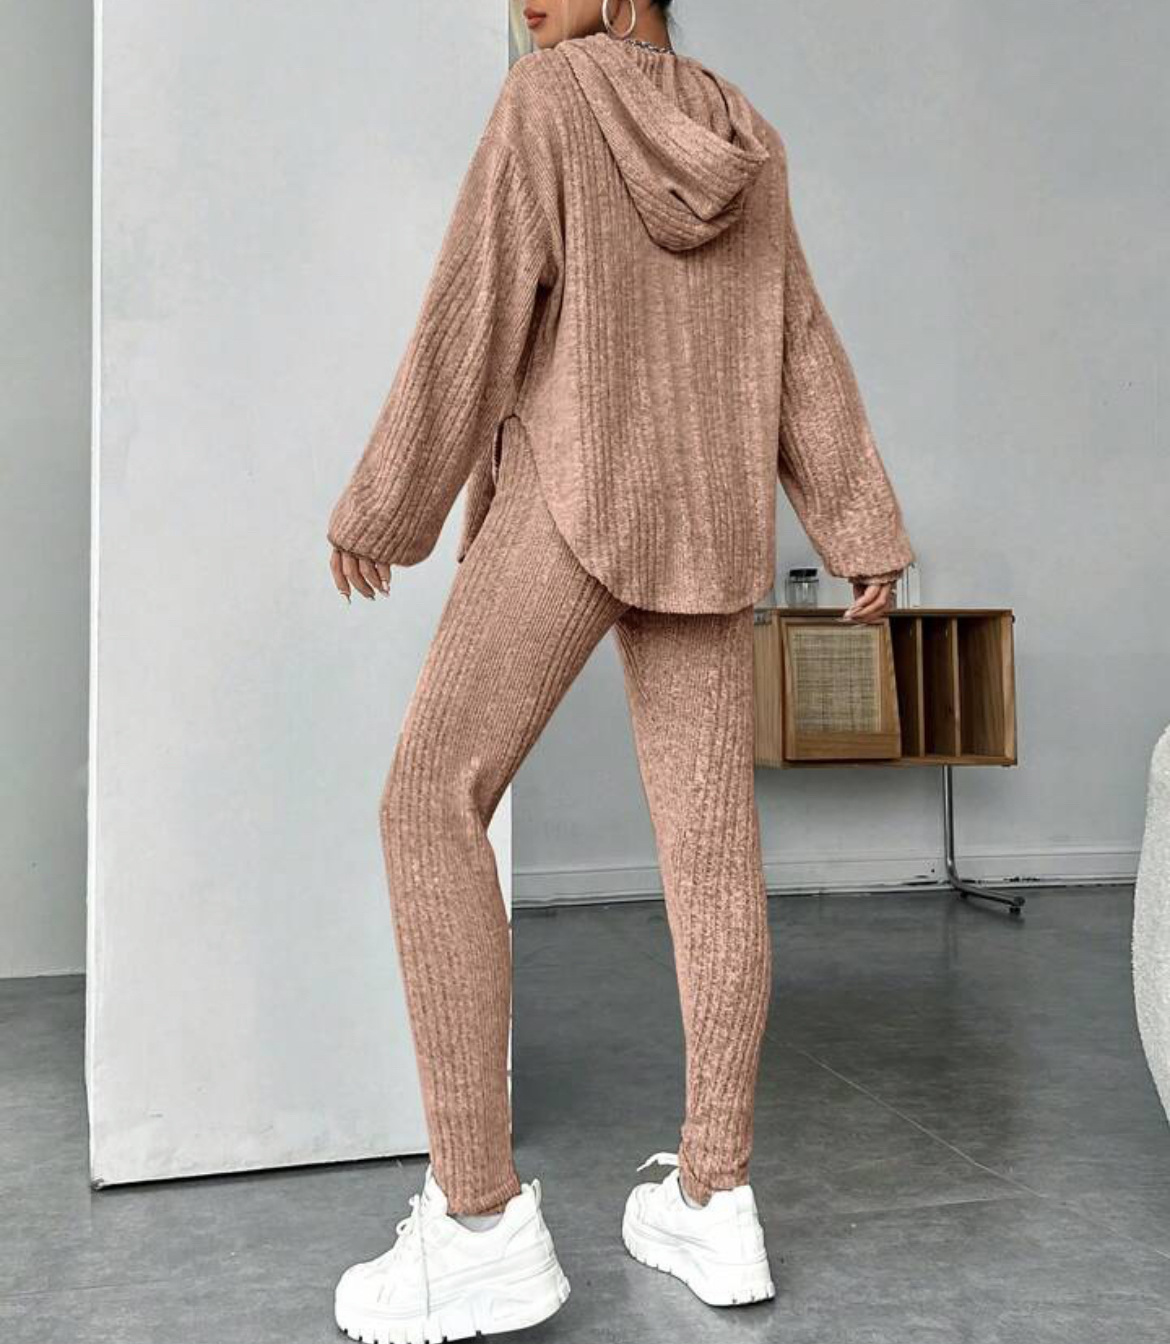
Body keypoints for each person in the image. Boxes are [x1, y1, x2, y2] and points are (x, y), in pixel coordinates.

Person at [326, 2, 915, 1339]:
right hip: (709, 515)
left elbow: (474, 308)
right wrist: (859, 523)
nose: (521, 0)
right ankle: (716, 1197)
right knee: (711, 854)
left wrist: (386, 503)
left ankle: (477, 1221)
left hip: (576, 498)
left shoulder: (549, 101)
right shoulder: (742, 133)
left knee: (427, 802)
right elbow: (798, 342)